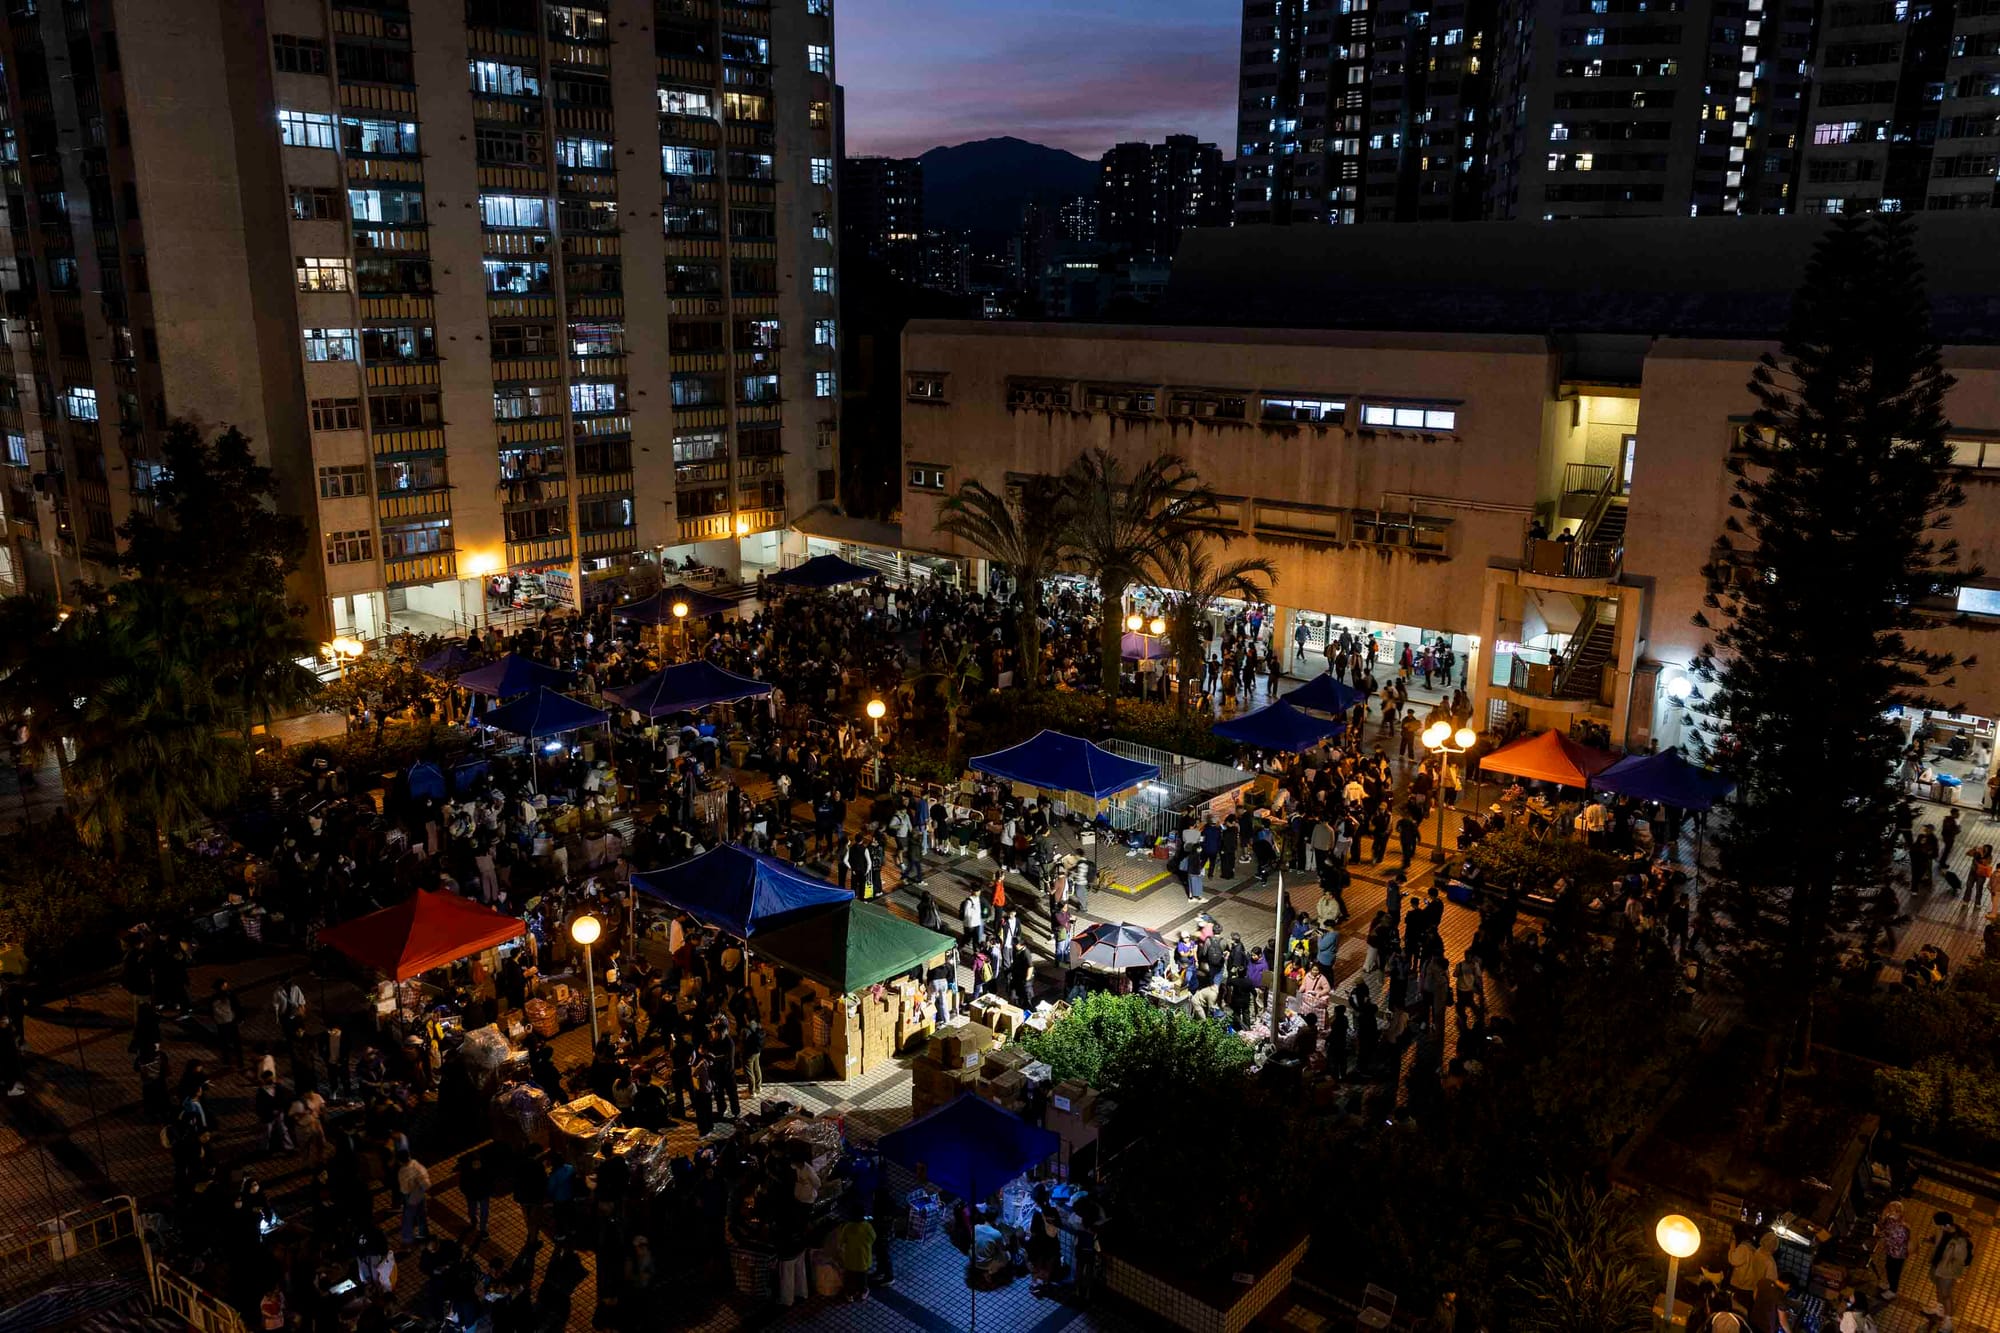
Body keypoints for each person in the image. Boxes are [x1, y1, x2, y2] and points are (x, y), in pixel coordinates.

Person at [1928, 1211, 1973, 1328]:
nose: (1938, 1228)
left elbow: (1960, 1260)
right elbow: (1939, 1243)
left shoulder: (1960, 1241)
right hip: (1937, 1266)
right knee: (1939, 1290)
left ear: (1947, 1225)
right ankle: (1940, 1309)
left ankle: (1948, 1321)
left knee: (1946, 1295)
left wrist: (1949, 1271)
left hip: (1947, 1271)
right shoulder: (1943, 1231)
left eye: (1939, 1225)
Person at [834, 1204, 876, 1302]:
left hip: (850, 1259)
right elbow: (873, 1238)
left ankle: (850, 1293)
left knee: (850, 1277)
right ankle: (863, 1291)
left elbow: (842, 1240)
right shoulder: (867, 1227)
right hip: (863, 1258)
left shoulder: (848, 1227)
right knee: (862, 1277)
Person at [397, 1149, 431, 1247]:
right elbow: (426, 1183)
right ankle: (423, 1234)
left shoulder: (407, 1170)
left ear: (399, 1161)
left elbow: (405, 1190)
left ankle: (409, 1240)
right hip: (416, 1195)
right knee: (420, 1215)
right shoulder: (416, 1165)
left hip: (412, 1196)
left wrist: (414, 1190)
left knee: (409, 1218)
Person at [1878, 1200, 1909, 1297]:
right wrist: (1883, 1218)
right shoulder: (1890, 1219)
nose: (1889, 1213)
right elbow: (1883, 1227)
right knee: (1888, 1267)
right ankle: (1890, 1284)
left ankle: (1893, 1290)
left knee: (1894, 1272)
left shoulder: (1902, 1227)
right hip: (1890, 1250)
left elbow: (1899, 1242)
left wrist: (1884, 1236)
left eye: (1892, 1211)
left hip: (1898, 1254)